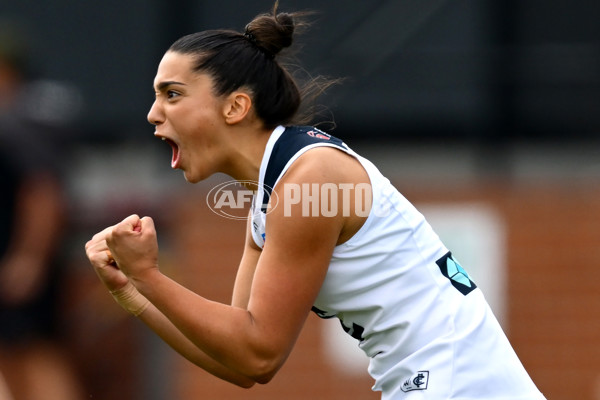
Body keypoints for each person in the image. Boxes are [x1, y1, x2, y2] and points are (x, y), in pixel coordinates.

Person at [85, 4, 546, 399]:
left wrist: (148, 274)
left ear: (235, 107)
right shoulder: (272, 196)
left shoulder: (310, 179)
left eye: (173, 94)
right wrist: (132, 290)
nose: (152, 113)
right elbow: (239, 362)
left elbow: (257, 351)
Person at [0, 20, 84, 400]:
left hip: (21, 267)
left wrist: (29, 258)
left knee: (36, 354)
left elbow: (44, 191)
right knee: (10, 357)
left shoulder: (20, 119)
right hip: (16, 264)